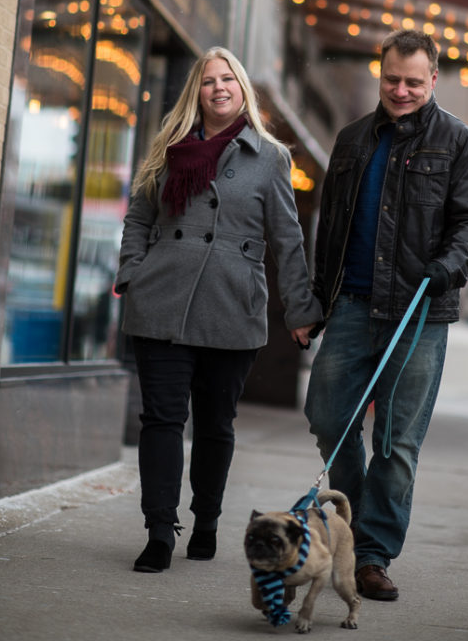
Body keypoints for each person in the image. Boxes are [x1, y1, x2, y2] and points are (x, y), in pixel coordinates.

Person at [115, 46, 322, 573]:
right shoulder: (167, 146)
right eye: (208, 81)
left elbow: (288, 239)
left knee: (214, 425)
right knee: (161, 420)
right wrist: (132, 273)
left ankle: (205, 519)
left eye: (228, 79)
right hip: (160, 299)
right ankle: (159, 531)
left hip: (231, 305)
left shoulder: (269, 156)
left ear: (243, 89)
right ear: (197, 92)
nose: (219, 88)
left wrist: (301, 310)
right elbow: (139, 216)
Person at [305, 29, 468, 601]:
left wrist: (448, 265)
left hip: (420, 314)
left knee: (397, 442)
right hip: (353, 307)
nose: (402, 90)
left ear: (433, 79)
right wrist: (316, 301)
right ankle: (354, 528)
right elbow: (331, 229)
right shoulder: (352, 139)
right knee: (329, 417)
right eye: (392, 79)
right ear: (378, 74)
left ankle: (372, 556)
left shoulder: (459, 141)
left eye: (413, 81)